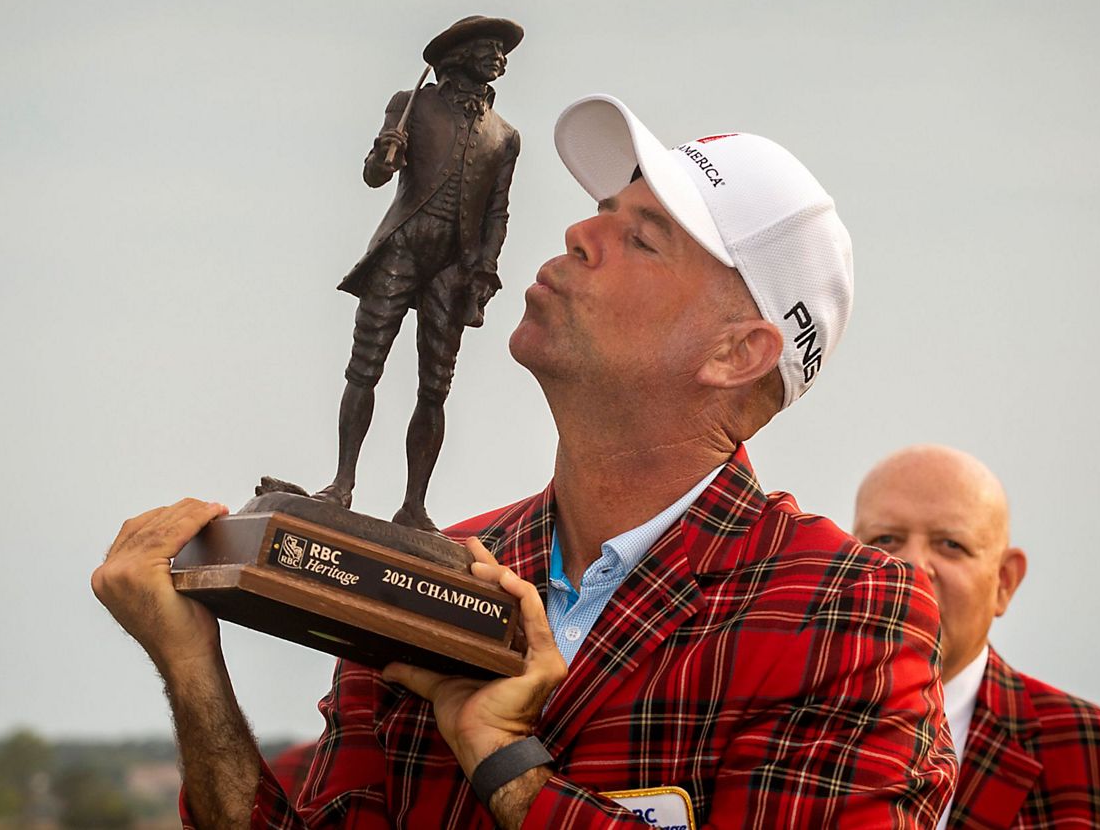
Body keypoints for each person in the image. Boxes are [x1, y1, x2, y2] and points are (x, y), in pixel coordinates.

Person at [93, 94, 957, 828]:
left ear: (739, 353)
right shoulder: (437, 566)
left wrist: (506, 762)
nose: (581, 231)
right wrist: (193, 673)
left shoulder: (851, 610)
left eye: (644, 237)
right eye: (603, 211)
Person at [261, 16, 523, 531]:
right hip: (401, 248)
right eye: (488, 47)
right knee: (365, 367)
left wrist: (485, 270)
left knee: (436, 388)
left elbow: (498, 212)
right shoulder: (412, 103)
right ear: (458, 54)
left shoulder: (506, 136)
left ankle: (414, 504)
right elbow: (374, 176)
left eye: (501, 50)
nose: (498, 56)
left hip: (454, 266)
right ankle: (342, 483)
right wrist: (385, 155)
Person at [854, 444, 1100, 828]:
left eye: (951, 545)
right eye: (885, 539)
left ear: (1004, 582)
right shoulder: (780, 729)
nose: (912, 568)